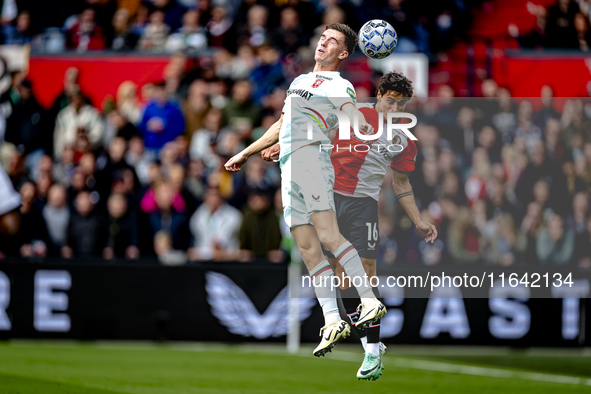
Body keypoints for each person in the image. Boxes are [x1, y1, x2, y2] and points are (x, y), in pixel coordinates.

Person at [262, 71, 438, 380]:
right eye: (391, 100)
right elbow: (318, 134)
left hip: (363, 206)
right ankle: (369, 341)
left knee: (367, 273)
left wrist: (419, 220)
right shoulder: (353, 115)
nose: (394, 108)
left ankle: (371, 351)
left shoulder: (403, 139)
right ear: (380, 93)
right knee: (343, 280)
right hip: (329, 197)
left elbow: (401, 184)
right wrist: (282, 147)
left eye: (401, 104)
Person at [225, 23, 386, 360]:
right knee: (308, 248)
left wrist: (359, 123)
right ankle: (333, 320)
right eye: (323, 37)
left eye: (333, 41)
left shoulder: (340, 84)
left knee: (329, 235)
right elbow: (282, 125)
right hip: (290, 165)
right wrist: (248, 151)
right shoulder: (299, 82)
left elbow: (349, 117)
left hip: (312, 159)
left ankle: (369, 300)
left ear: (343, 53)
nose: (324, 43)